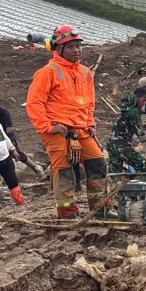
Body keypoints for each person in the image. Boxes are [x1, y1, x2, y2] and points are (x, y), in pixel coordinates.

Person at [26, 25, 107, 219]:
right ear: (59, 48)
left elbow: (89, 103)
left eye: (78, 45)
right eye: (70, 46)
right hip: (57, 130)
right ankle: (67, 213)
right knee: (64, 170)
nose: (76, 50)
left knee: (97, 163)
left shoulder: (86, 73)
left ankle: (101, 209)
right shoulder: (48, 72)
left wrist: (90, 124)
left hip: (81, 128)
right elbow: (34, 103)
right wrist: (48, 127)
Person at [107, 87, 146, 174]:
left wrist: (142, 126)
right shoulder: (133, 111)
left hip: (111, 145)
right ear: (137, 98)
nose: (145, 103)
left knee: (116, 174)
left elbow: (128, 124)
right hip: (121, 145)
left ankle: (120, 186)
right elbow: (140, 134)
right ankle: (138, 186)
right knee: (142, 164)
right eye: (144, 100)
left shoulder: (126, 110)